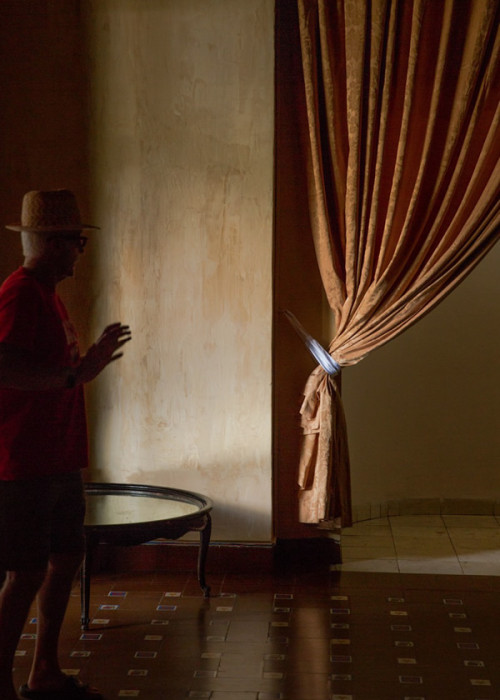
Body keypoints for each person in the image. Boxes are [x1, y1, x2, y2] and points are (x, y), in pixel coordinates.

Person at [0, 190, 131, 700]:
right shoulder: (20, 293)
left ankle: (44, 672)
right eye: (77, 242)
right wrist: (75, 374)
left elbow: (59, 372)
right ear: (54, 244)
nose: (81, 251)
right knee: (26, 570)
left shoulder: (47, 295)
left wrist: (83, 367)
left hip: (56, 460)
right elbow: (5, 366)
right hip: (24, 462)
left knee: (63, 558)